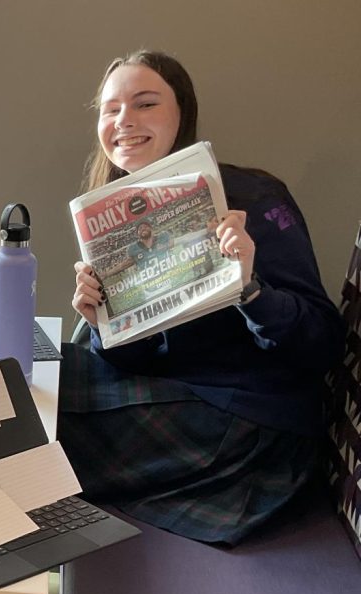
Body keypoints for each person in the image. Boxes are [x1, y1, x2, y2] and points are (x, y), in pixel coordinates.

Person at [64, 50, 344, 545]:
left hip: (249, 430)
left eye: (145, 104)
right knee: (10, 365)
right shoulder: (118, 211)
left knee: (29, 432)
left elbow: (321, 343)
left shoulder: (253, 197)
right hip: (178, 398)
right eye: (111, 110)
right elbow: (141, 359)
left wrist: (250, 289)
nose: (124, 121)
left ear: (182, 114)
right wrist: (105, 321)